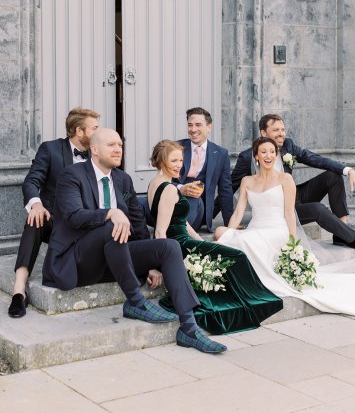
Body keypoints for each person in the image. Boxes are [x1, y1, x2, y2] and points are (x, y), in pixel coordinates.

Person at [42, 128, 227, 354]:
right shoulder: (72, 175)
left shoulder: (122, 179)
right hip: (80, 258)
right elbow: (73, 216)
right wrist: (110, 213)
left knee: (169, 246)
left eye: (120, 144)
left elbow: (138, 224)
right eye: (111, 145)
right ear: (94, 149)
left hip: (116, 256)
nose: (118, 149)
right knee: (113, 224)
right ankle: (135, 302)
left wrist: (151, 263)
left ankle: (188, 328)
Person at [215, 137, 355, 316]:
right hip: (256, 226)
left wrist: (293, 242)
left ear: (277, 155)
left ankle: (350, 235)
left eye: (272, 152)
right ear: (256, 156)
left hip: (276, 228)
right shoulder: (247, 181)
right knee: (222, 233)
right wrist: (231, 233)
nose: (268, 155)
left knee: (246, 240)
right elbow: (239, 212)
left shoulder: (284, 179)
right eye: (263, 152)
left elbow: (289, 213)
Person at [147, 140, 283, 334]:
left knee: (226, 254)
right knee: (237, 256)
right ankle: (255, 301)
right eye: (174, 160)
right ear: (161, 161)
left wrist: (201, 241)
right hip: (180, 246)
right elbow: (160, 231)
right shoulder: (169, 189)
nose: (179, 165)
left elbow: (179, 221)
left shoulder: (156, 183)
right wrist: (159, 265)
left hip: (183, 241)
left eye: (180, 160)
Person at [229, 113, 355, 252]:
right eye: (276, 130)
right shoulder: (247, 157)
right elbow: (230, 187)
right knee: (317, 209)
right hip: (279, 211)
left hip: (296, 195)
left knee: (332, 176)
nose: (281, 134)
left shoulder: (288, 146)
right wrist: (206, 219)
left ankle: (342, 234)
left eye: (283, 129)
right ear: (263, 133)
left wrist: (348, 170)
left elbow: (315, 159)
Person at [8, 106, 100, 318]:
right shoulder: (51, 149)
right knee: (34, 220)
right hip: (56, 222)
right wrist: (37, 204)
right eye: (94, 128)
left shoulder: (98, 152)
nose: (99, 132)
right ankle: (19, 290)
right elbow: (32, 181)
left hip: (87, 225)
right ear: (79, 131)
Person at [174, 107, 233, 231]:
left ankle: (177, 232)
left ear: (209, 127)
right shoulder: (176, 147)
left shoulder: (221, 154)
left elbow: (225, 190)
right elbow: (163, 178)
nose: (193, 129)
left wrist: (230, 224)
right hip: (172, 200)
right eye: (190, 125)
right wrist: (181, 188)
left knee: (193, 200)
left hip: (198, 208)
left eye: (198, 125)